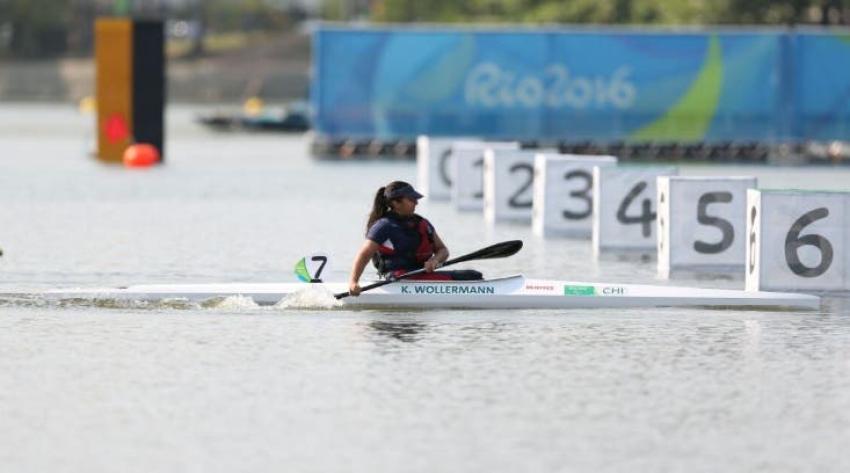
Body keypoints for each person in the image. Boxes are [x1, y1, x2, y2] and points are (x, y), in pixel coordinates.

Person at [347, 181, 482, 296]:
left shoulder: (422, 223)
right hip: (398, 278)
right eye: (411, 199)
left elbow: (442, 250)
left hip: (420, 275)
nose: (416, 202)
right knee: (472, 278)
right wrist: (353, 282)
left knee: (473, 275)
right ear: (396, 202)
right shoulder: (383, 226)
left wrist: (435, 260)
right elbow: (364, 255)